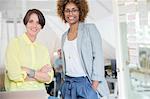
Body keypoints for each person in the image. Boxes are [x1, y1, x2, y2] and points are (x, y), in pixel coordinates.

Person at [57, 0, 110, 99]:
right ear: (63, 13)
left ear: (80, 11)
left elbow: (98, 57)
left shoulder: (90, 29)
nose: (70, 13)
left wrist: (93, 87)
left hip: (86, 84)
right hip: (68, 84)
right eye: (67, 10)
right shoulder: (64, 36)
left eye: (74, 10)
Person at [5, 9, 54, 92]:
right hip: (18, 94)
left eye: (38, 22)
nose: (34, 25)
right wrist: (39, 73)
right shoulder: (14, 44)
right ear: (26, 23)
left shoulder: (43, 49)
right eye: (31, 21)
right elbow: (14, 75)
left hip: (39, 94)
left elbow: (49, 77)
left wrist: (27, 70)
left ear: (41, 26)